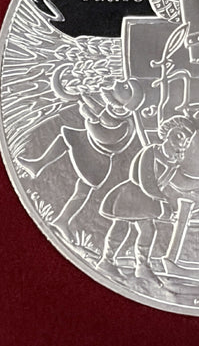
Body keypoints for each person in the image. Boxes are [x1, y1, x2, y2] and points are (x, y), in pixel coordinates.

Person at [18, 66, 144, 242]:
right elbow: (98, 112)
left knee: (82, 187)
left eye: (124, 87)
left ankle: (63, 220)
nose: (118, 82)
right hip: (87, 146)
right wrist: (84, 100)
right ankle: (38, 165)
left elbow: (103, 131)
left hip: (97, 159)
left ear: (127, 101)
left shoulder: (124, 123)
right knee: (65, 139)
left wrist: (90, 116)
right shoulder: (113, 112)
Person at [96, 115, 199, 282]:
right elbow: (146, 181)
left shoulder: (172, 163)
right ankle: (107, 260)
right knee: (122, 226)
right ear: (168, 134)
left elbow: (180, 183)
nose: (182, 142)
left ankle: (141, 266)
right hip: (131, 195)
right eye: (179, 135)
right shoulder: (151, 152)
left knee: (147, 230)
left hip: (146, 201)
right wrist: (163, 201)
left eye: (186, 139)